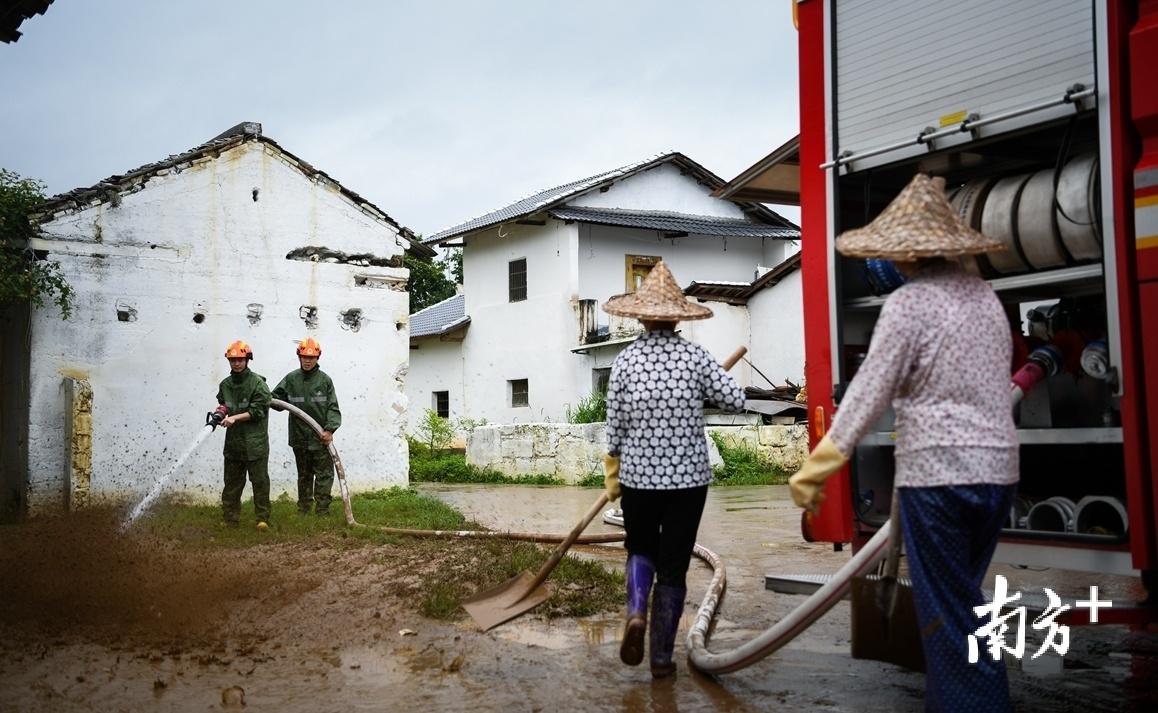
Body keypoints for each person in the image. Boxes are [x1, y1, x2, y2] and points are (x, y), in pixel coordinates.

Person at [788, 174, 1017, 712]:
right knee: (962, 601)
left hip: (938, 481)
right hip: (997, 476)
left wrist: (820, 465)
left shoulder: (907, 306)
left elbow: (869, 393)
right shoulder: (986, 299)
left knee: (947, 614)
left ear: (907, 255)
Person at [602, 261, 745, 678]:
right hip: (688, 482)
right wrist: (707, 388)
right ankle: (662, 658)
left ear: (642, 316)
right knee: (675, 564)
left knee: (640, 549)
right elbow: (736, 400)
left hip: (639, 480)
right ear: (677, 316)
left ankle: (634, 612)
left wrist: (614, 472)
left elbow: (614, 428)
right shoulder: (696, 358)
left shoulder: (626, 362)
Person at [272, 337, 342, 516]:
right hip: (299, 437)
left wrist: (329, 429)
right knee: (304, 475)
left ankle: (322, 511)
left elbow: (333, 407)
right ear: (299, 356)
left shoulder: (325, 381)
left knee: (324, 475)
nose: (307, 360)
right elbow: (274, 399)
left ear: (318, 357)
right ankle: (303, 510)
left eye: (311, 357)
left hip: (320, 437)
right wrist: (272, 401)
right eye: (304, 356)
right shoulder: (291, 379)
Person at [215, 340, 273, 530]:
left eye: (240, 360)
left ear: (248, 360)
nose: (236, 363)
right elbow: (224, 404)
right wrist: (221, 412)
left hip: (255, 444)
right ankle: (230, 519)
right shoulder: (225, 384)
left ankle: (262, 519)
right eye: (233, 360)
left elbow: (258, 411)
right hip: (234, 444)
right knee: (232, 484)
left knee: (260, 482)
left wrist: (235, 418)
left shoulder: (258, 384)